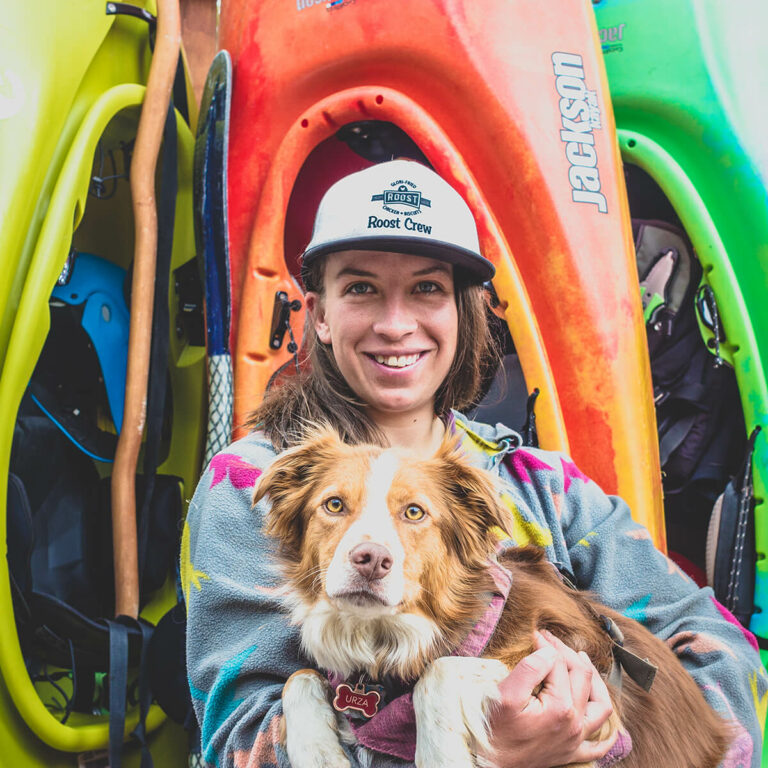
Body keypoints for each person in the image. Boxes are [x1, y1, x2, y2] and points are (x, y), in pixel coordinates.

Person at [183, 159, 766, 768]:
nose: (396, 323)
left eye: (428, 289)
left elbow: (721, 643)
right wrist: (489, 748)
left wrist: (625, 736)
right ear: (320, 315)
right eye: (361, 288)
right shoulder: (253, 483)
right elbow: (237, 744)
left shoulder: (541, 485)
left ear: (468, 311)